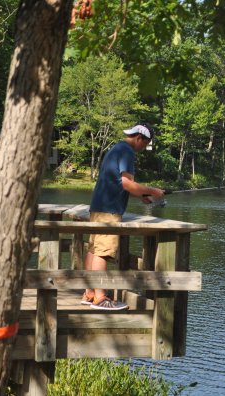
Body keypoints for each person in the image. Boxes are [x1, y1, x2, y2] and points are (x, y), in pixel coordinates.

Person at [82, 124, 165, 310]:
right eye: (146, 143)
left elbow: (118, 183)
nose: (145, 147)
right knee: (103, 252)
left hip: (98, 206)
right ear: (139, 138)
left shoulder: (116, 148)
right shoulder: (127, 152)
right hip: (110, 210)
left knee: (93, 249)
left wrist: (142, 194)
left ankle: (89, 293)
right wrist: (153, 190)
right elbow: (127, 183)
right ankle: (100, 297)